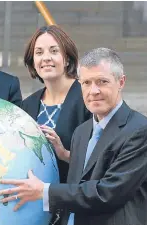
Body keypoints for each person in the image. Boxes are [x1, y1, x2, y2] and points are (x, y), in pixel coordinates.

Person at [0, 48, 147, 225]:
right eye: (87, 83)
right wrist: (66, 156)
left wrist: (44, 191)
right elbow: (78, 186)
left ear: (121, 82)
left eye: (102, 82)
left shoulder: (141, 131)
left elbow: (107, 194)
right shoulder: (81, 132)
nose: (94, 90)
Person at [21, 25, 92, 183]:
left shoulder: (88, 97)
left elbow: (101, 159)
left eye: (54, 51)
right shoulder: (27, 105)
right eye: (39, 52)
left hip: (75, 197)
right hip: (35, 199)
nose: (46, 58)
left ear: (67, 59)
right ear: (33, 61)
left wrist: (65, 154)